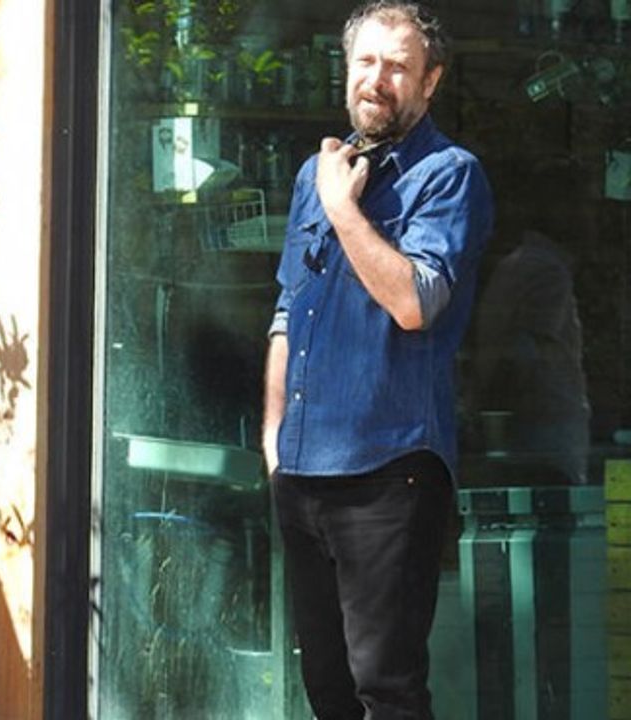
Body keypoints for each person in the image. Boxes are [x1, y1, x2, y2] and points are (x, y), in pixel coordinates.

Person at [261, 2, 493, 718]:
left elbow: (415, 302)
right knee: (327, 691)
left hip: (390, 470)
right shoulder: (318, 173)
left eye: (398, 65)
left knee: (385, 691)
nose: (378, 78)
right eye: (366, 61)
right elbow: (287, 313)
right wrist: (273, 438)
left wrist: (343, 209)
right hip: (303, 469)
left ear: (430, 81)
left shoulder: (448, 175)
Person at [472, 157, 590, 485]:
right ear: (558, 208)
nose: (589, 215)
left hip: (531, 439)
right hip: (544, 443)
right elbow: (525, 353)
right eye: (581, 203)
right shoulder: (545, 270)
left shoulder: (519, 265)